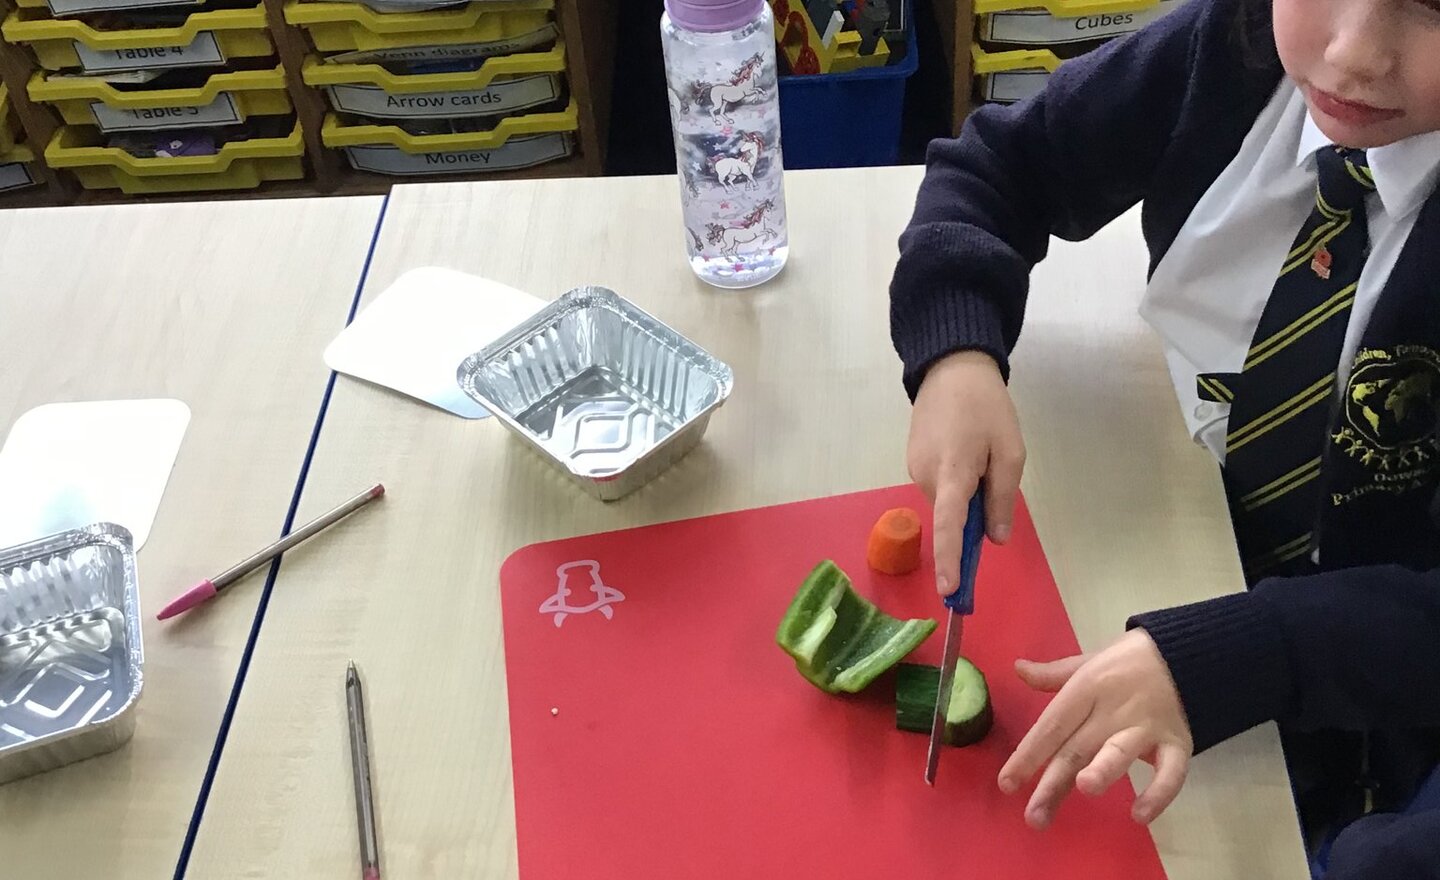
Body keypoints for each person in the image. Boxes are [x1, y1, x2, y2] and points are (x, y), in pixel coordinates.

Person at [888, 0, 1440, 875]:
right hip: (1201, 537)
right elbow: (996, 166)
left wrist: (1244, 656)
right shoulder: (1231, 52)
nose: (1352, 52)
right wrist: (957, 348)